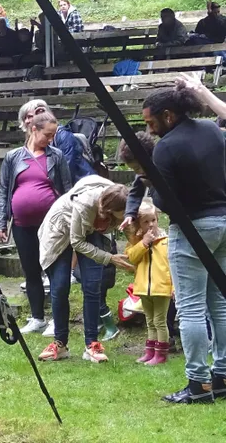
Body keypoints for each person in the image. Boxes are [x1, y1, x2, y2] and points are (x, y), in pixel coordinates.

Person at [140, 85, 226, 404]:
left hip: (192, 229)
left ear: (168, 115)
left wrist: (153, 187)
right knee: (219, 304)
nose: (149, 129)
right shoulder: (211, 131)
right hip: (223, 222)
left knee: (190, 309)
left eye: (151, 122)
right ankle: (223, 375)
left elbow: (166, 201)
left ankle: (198, 385)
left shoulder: (166, 148)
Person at [37, 175, 132, 363]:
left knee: (92, 286)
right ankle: (60, 344)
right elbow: (77, 242)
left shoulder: (120, 197)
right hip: (61, 231)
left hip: (90, 232)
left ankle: (92, 346)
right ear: (110, 209)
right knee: (60, 286)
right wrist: (110, 258)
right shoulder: (86, 204)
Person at [0, 111, 72, 335]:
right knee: (31, 272)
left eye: (53, 135)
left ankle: (57, 321)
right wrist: (1, 223)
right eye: (47, 135)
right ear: (34, 129)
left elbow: (67, 189)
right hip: (22, 225)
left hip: (52, 227)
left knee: (54, 272)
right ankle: (37, 318)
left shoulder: (56, 156)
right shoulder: (13, 157)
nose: (50, 139)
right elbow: (3, 191)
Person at [124, 200, 173, 366]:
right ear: (139, 223)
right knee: (150, 321)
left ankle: (161, 354)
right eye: (146, 221)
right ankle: (150, 352)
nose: (151, 224)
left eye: (153, 220)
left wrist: (173, 286)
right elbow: (132, 258)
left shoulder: (166, 240)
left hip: (161, 287)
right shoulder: (137, 242)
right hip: (144, 288)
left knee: (160, 321)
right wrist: (143, 243)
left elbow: (173, 264)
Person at [18, 99, 95, 183]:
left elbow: (67, 170)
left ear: (41, 114)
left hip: (82, 185)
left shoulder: (63, 136)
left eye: (29, 116)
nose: (26, 121)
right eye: (24, 118)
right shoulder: (34, 140)